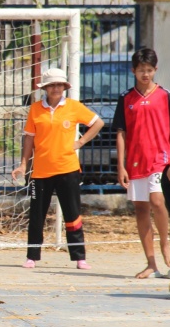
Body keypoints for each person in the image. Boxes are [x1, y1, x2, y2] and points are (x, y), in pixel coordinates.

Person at [12, 68, 104, 270]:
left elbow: (98, 123)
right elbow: (29, 139)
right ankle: (32, 256)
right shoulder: (35, 109)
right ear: (45, 88)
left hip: (68, 169)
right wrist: (23, 163)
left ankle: (79, 257)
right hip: (40, 171)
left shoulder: (73, 106)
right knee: (37, 215)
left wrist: (80, 142)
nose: (56, 88)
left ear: (64, 87)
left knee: (73, 213)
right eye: (52, 85)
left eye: (59, 85)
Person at [112, 48, 170, 279]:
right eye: (141, 70)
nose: (145, 74)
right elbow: (121, 133)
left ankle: (165, 245)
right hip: (135, 162)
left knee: (158, 201)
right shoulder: (126, 98)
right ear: (133, 70)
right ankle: (151, 263)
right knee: (141, 209)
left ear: (155, 70)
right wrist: (121, 165)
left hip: (161, 159)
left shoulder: (165, 95)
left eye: (149, 70)